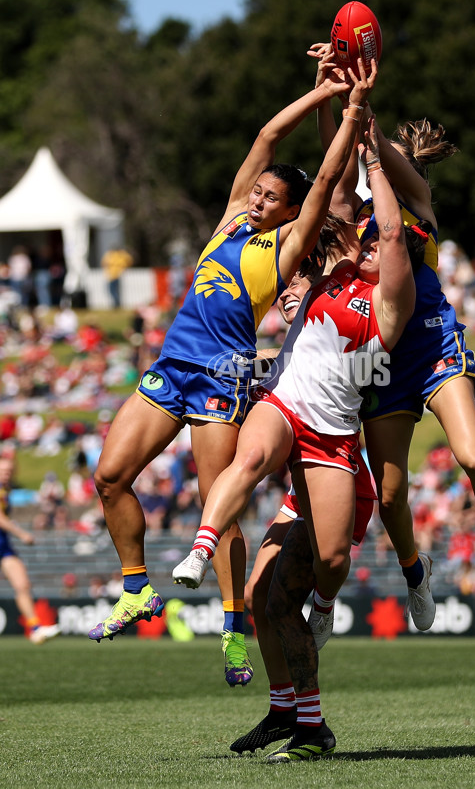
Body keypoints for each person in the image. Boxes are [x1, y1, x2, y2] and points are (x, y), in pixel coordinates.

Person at [89, 58, 367, 689]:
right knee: (109, 478)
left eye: (270, 197)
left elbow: (327, 180)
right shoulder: (230, 223)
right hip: (171, 366)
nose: (256, 199)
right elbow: (266, 138)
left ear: (293, 210)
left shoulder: (289, 244)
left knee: (218, 506)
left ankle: (234, 624)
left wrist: (348, 114)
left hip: (222, 376)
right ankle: (137, 588)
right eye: (256, 191)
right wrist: (321, 88)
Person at [171, 109, 421, 761]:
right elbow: (325, 190)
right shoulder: (324, 269)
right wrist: (339, 102)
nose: (362, 243)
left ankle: (312, 692)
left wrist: (374, 159)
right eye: (358, 240)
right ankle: (291, 711)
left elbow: (388, 228)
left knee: (316, 576)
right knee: (259, 589)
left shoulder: (391, 300)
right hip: (285, 417)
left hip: (334, 449)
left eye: (373, 245)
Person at [309, 42, 475, 600]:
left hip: (432, 345)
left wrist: (361, 102)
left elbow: (366, 144)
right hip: (382, 358)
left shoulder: (419, 203)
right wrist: (333, 97)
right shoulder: (355, 219)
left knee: (474, 458)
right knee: (393, 496)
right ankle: (413, 573)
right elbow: (336, 158)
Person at [230, 259, 378, 756]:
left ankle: (310, 719)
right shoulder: (283, 349)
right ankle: (286, 712)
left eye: (298, 280)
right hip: (301, 490)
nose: (286, 291)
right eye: (282, 286)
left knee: (289, 594)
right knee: (259, 595)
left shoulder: (337, 327)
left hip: (336, 476)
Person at [0, 455, 61, 644]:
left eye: (9, 471)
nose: (6, 474)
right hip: (7, 540)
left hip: (3, 544)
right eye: (3, 470)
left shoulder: (6, 491)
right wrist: (21, 533)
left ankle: (35, 628)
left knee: (22, 584)